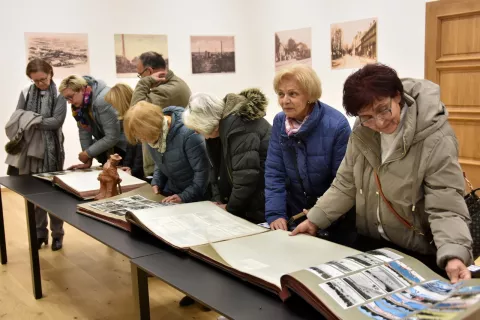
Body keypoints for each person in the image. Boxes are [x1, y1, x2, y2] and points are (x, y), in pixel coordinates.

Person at [292, 63, 473, 283]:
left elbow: (445, 204)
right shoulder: (362, 133)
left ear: (397, 96)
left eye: (383, 109)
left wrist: (453, 256)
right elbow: (345, 183)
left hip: (416, 251)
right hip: (370, 246)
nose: (378, 122)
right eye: (366, 116)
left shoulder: (435, 138)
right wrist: (314, 220)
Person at [264, 64, 351, 232]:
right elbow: (275, 172)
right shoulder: (280, 122)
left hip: (332, 219)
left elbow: (342, 180)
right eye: (281, 94)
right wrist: (276, 214)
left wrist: (321, 212)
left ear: (310, 95)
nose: (285, 100)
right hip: (295, 213)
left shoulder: (336, 125)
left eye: (293, 94)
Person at [183, 89, 272, 224]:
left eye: (197, 128)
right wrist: (218, 200)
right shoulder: (218, 131)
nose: (196, 132)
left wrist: (230, 207)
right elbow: (215, 169)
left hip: (262, 205)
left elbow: (246, 177)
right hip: (248, 204)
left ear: (206, 122)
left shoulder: (239, 128)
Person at [5, 58, 66, 251]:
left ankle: (58, 234)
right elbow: (17, 116)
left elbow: (56, 122)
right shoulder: (25, 91)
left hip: (52, 150)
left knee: (53, 193)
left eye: (43, 79)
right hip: (29, 150)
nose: (40, 84)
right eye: (36, 81)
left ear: (50, 73)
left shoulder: (60, 94)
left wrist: (30, 119)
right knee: (34, 193)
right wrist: (34, 120)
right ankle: (40, 233)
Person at [123, 101, 209, 204]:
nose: (142, 141)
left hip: (197, 197)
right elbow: (161, 161)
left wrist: (184, 197)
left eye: (143, 136)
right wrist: (157, 182)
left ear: (151, 128)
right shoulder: (155, 135)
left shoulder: (189, 134)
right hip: (173, 192)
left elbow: (203, 174)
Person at [130, 51, 192, 178]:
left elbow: (136, 113)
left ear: (149, 71)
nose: (141, 78)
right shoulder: (173, 84)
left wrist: (144, 83)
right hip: (167, 161)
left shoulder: (167, 90)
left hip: (167, 165)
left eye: (140, 75)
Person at [59, 75, 127, 168]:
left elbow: (112, 136)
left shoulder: (102, 100)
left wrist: (88, 153)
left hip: (125, 148)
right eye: (66, 98)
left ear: (82, 89)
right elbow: (84, 131)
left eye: (70, 97)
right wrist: (87, 160)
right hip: (110, 149)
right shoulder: (79, 107)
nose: (69, 102)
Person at [104, 84, 144, 179]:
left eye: (113, 104)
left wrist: (133, 172)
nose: (113, 108)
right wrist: (126, 167)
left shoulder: (137, 118)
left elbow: (141, 150)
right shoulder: (127, 118)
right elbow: (130, 146)